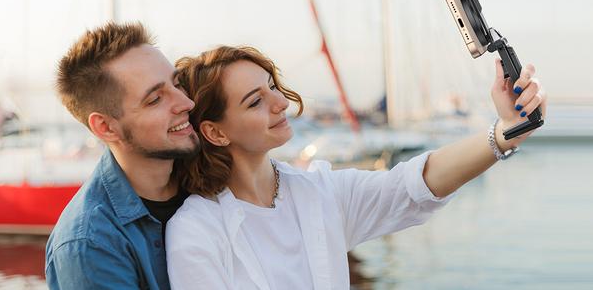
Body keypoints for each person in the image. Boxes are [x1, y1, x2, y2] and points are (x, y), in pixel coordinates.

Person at [165, 45, 548, 289]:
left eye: (272, 87)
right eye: (254, 101)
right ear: (215, 132)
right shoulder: (196, 231)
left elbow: (415, 185)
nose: (280, 103)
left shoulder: (320, 192)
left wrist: (504, 133)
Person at [45, 22, 199, 290]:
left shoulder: (209, 176)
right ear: (106, 127)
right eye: (155, 100)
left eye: (177, 84)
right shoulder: (89, 243)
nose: (187, 103)